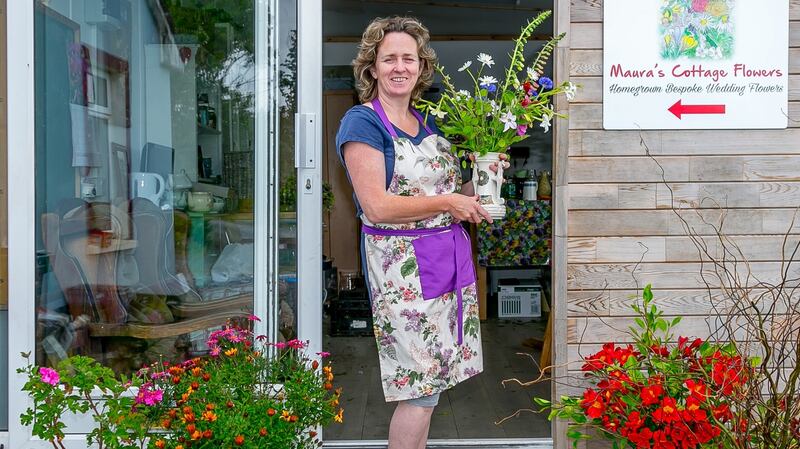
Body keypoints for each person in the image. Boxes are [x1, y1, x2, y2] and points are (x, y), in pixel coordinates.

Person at [335, 16, 505, 449]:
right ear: (371, 67)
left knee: (434, 381)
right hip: (403, 270)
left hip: (445, 263)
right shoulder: (363, 123)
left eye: (407, 58)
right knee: (420, 388)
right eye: (388, 57)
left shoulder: (429, 124)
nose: (399, 66)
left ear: (420, 67)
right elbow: (376, 205)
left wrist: (483, 178)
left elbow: (451, 195)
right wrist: (450, 203)